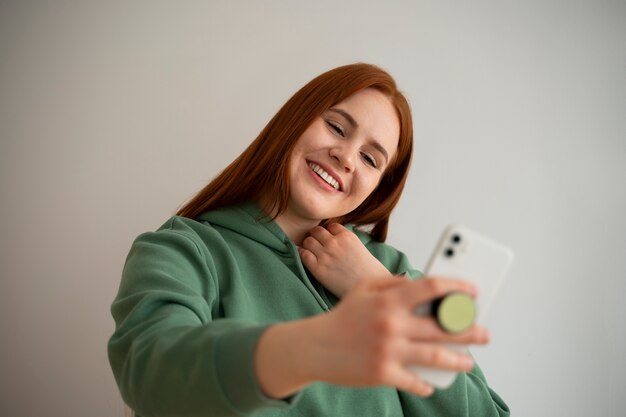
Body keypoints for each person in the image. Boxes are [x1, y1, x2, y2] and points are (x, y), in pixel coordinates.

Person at [108, 63, 510, 416]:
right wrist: (308, 350)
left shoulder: (392, 273)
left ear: (377, 188)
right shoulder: (185, 250)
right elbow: (149, 372)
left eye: (371, 158)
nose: (347, 157)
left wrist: (376, 289)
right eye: (337, 127)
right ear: (295, 119)